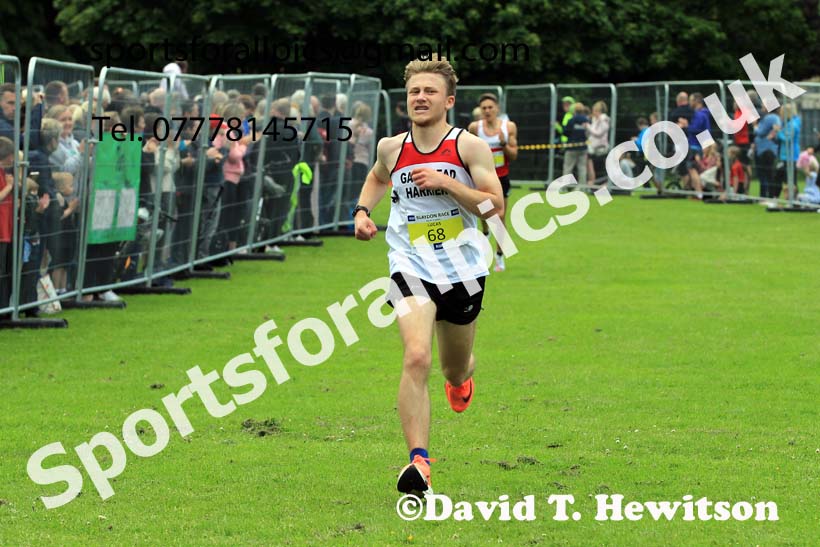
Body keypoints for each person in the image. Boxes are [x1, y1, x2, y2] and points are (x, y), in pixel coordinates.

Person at [352, 57, 503, 498]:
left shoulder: (469, 147)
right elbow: (377, 178)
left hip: (463, 268)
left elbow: (496, 208)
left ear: (449, 100)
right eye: (414, 91)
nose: (420, 98)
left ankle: (462, 380)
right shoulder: (391, 147)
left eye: (430, 91)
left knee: (454, 367)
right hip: (410, 263)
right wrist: (363, 212)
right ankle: (419, 462)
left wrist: (447, 183)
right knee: (417, 356)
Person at [468, 92, 517, 271]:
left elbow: (514, 155)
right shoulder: (475, 128)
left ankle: (499, 257)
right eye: (484, 108)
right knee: (483, 214)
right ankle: (486, 233)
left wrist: (504, 145)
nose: (487, 111)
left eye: (490, 107)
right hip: (482, 178)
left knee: (500, 217)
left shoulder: (508, 127)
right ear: (480, 111)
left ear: (497, 109)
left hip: (502, 178)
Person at [562, 102, 589, 186]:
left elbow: (565, 132)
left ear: (574, 110)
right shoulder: (587, 120)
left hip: (571, 147)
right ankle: (582, 187)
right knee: (582, 168)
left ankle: (565, 186)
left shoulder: (572, 120)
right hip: (583, 147)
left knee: (568, 167)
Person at [587, 100, 610, 188]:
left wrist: (588, 127)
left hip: (600, 148)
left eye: (595, 111)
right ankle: (591, 182)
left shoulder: (604, 119)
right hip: (593, 147)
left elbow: (598, 133)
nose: (594, 112)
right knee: (589, 163)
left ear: (600, 111)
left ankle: (595, 182)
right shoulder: (595, 120)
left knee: (602, 167)